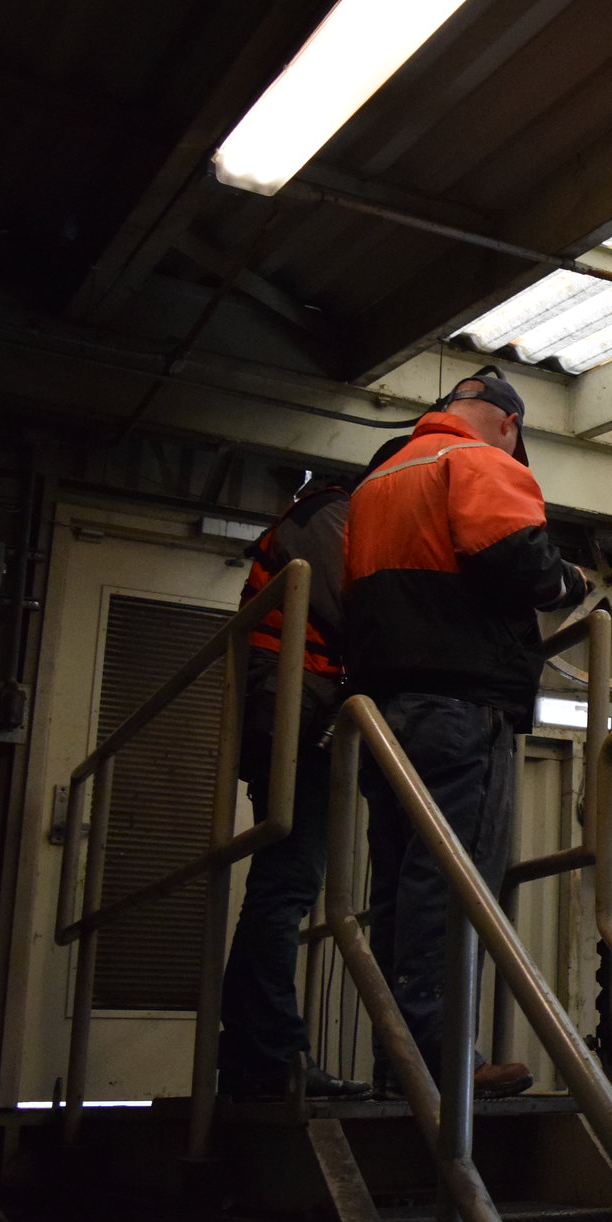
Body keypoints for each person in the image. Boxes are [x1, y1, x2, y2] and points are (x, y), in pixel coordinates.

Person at [342, 366, 585, 1099]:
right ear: (510, 425)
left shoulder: (380, 479)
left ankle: (401, 1060)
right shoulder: (479, 462)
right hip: (459, 710)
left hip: (382, 715)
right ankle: (444, 1062)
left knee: (397, 888)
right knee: (452, 883)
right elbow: (518, 562)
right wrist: (569, 581)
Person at [219, 471, 372, 1099]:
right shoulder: (328, 514)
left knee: (284, 881)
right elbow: (362, 611)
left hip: (293, 706)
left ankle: (255, 1054)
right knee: (288, 883)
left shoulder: (324, 515)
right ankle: (271, 1055)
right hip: (290, 708)